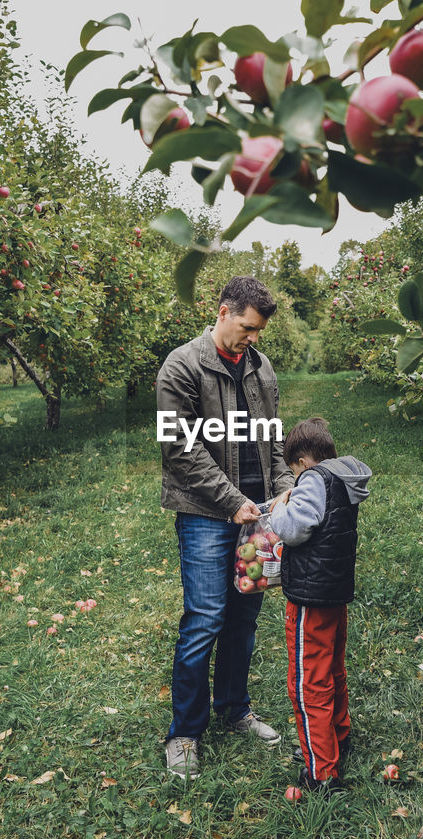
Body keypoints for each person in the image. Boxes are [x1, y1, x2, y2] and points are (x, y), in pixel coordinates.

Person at [156, 275, 295, 780]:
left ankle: (235, 710)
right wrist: (232, 501)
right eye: (247, 327)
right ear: (223, 311)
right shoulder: (183, 365)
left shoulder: (261, 368)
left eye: (259, 332)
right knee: (205, 617)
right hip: (207, 512)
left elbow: (273, 439)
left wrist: (282, 488)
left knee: (244, 615)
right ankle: (184, 734)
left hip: (257, 511)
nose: (253, 338)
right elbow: (179, 447)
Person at [267, 416, 371, 793]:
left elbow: (295, 528)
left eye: (294, 470)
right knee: (331, 669)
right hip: (334, 592)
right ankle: (337, 737)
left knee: (307, 682)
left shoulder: (313, 479)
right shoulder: (344, 476)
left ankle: (321, 771)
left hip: (310, 598)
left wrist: (281, 508)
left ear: (304, 462)